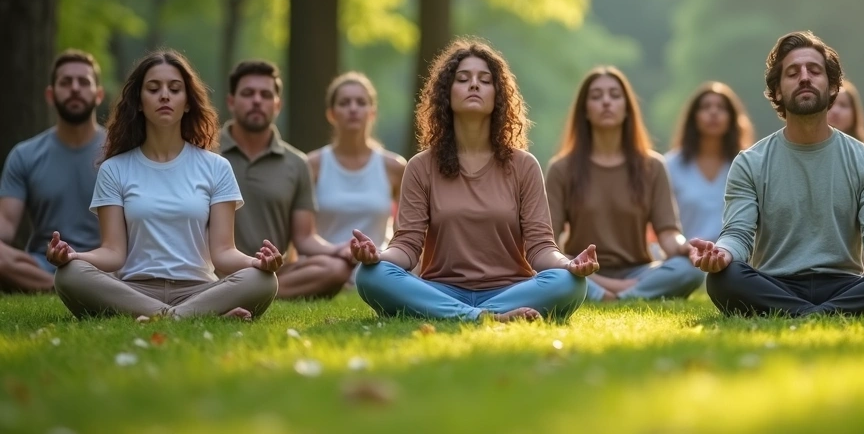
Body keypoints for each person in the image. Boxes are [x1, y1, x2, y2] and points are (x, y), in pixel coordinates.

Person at [689, 31, 864, 318]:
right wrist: (721, 254)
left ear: (833, 88)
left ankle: (803, 315)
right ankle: (827, 315)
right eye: (792, 72)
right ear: (777, 91)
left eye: (814, 71)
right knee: (723, 278)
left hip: (843, 285)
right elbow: (738, 234)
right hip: (775, 284)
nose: (804, 78)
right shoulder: (750, 162)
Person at [353, 39, 595, 322]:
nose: (474, 85)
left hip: (512, 289)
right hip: (440, 290)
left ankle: (463, 315)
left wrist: (569, 264)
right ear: (447, 93)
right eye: (463, 79)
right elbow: (406, 247)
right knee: (371, 276)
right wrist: (376, 257)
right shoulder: (421, 166)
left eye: (485, 80)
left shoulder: (524, 165)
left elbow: (541, 248)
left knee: (570, 283)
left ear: (498, 95)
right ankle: (482, 317)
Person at [50, 50, 281, 320]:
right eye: (153, 88)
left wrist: (258, 263)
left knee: (264, 280)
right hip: (133, 289)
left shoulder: (216, 167)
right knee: (68, 275)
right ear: (139, 102)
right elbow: (113, 253)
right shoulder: (115, 169)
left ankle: (163, 316)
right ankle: (194, 317)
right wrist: (73, 256)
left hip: (199, 290)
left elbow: (224, 253)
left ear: (187, 102)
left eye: (174, 89)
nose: (164, 95)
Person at [547, 67, 705, 302]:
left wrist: (686, 248)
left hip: (639, 271)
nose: (606, 102)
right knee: (552, 271)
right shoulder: (561, 168)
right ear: (585, 111)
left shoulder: (653, 166)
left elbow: (668, 233)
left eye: (614, 95)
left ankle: (613, 296)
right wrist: (598, 278)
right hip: (583, 270)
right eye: (596, 96)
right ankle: (631, 294)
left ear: (627, 108)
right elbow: (548, 242)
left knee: (689, 269)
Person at [221, 60, 353, 299]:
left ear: (277, 104)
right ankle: (240, 291)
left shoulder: (296, 163)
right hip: (215, 271)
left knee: (336, 268)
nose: (257, 101)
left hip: (272, 273)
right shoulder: (206, 154)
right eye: (248, 93)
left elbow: (304, 238)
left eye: (265, 94)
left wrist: (338, 250)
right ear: (231, 101)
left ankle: (258, 292)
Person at [0, 51, 106, 293]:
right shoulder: (24, 154)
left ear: (99, 94)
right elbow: (5, 224)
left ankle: (70, 285)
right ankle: (57, 287)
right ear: (51, 94)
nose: (75, 88)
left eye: (84, 82)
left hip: (104, 265)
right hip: (43, 264)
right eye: (66, 82)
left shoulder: (121, 153)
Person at [309, 72, 405, 251]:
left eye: (361, 103)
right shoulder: (312, 165)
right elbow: (302, 235)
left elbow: (404, 234)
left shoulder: (395, 167)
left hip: (376, 267)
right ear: (331, 114)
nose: (353, 109)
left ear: (372, 113)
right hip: (326, 266)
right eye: (344, 103)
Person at [664, 82, 755, 244]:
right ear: (693, 117)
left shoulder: (748, 165)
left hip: (736, 259)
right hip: (686, 256)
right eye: (705, 107)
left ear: (732, 118)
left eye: (721, 108)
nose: (713, 112)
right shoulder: (670, 165)